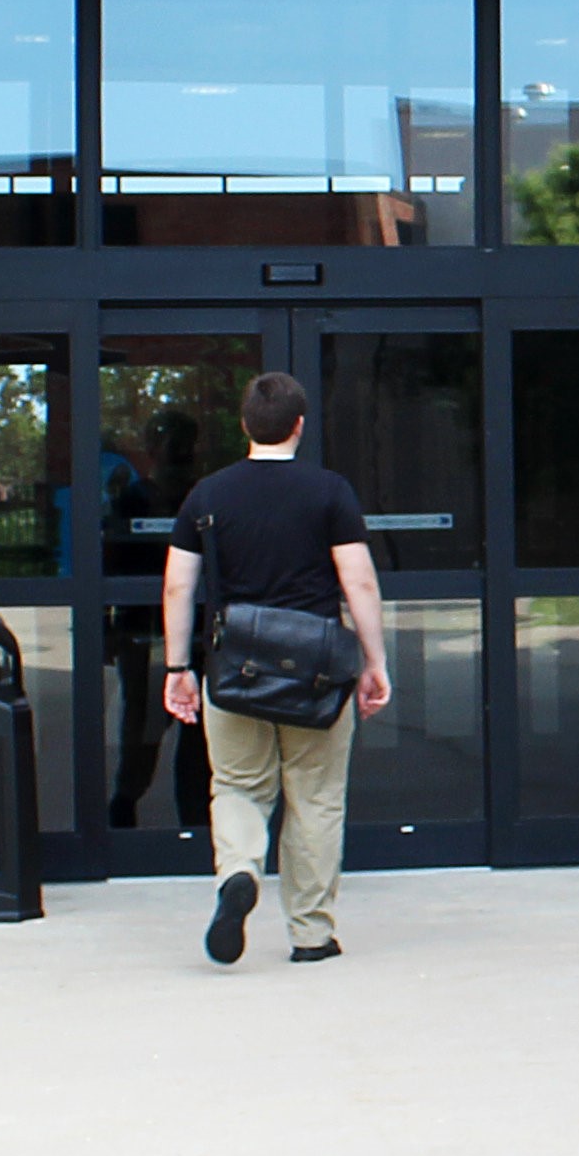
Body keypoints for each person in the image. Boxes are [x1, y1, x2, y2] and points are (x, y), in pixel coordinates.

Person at [158, 371, 392, 967]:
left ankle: (238, 871)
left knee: (238, 786)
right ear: (299, 426)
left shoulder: (206, 496)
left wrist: (178, 666)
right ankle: (311, 934)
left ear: (244, 425)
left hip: (235, 671)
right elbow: (358, 580)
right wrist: (373, 661)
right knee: (315, 798)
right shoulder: (330, 491)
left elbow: (177, 586)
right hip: (316, 674)